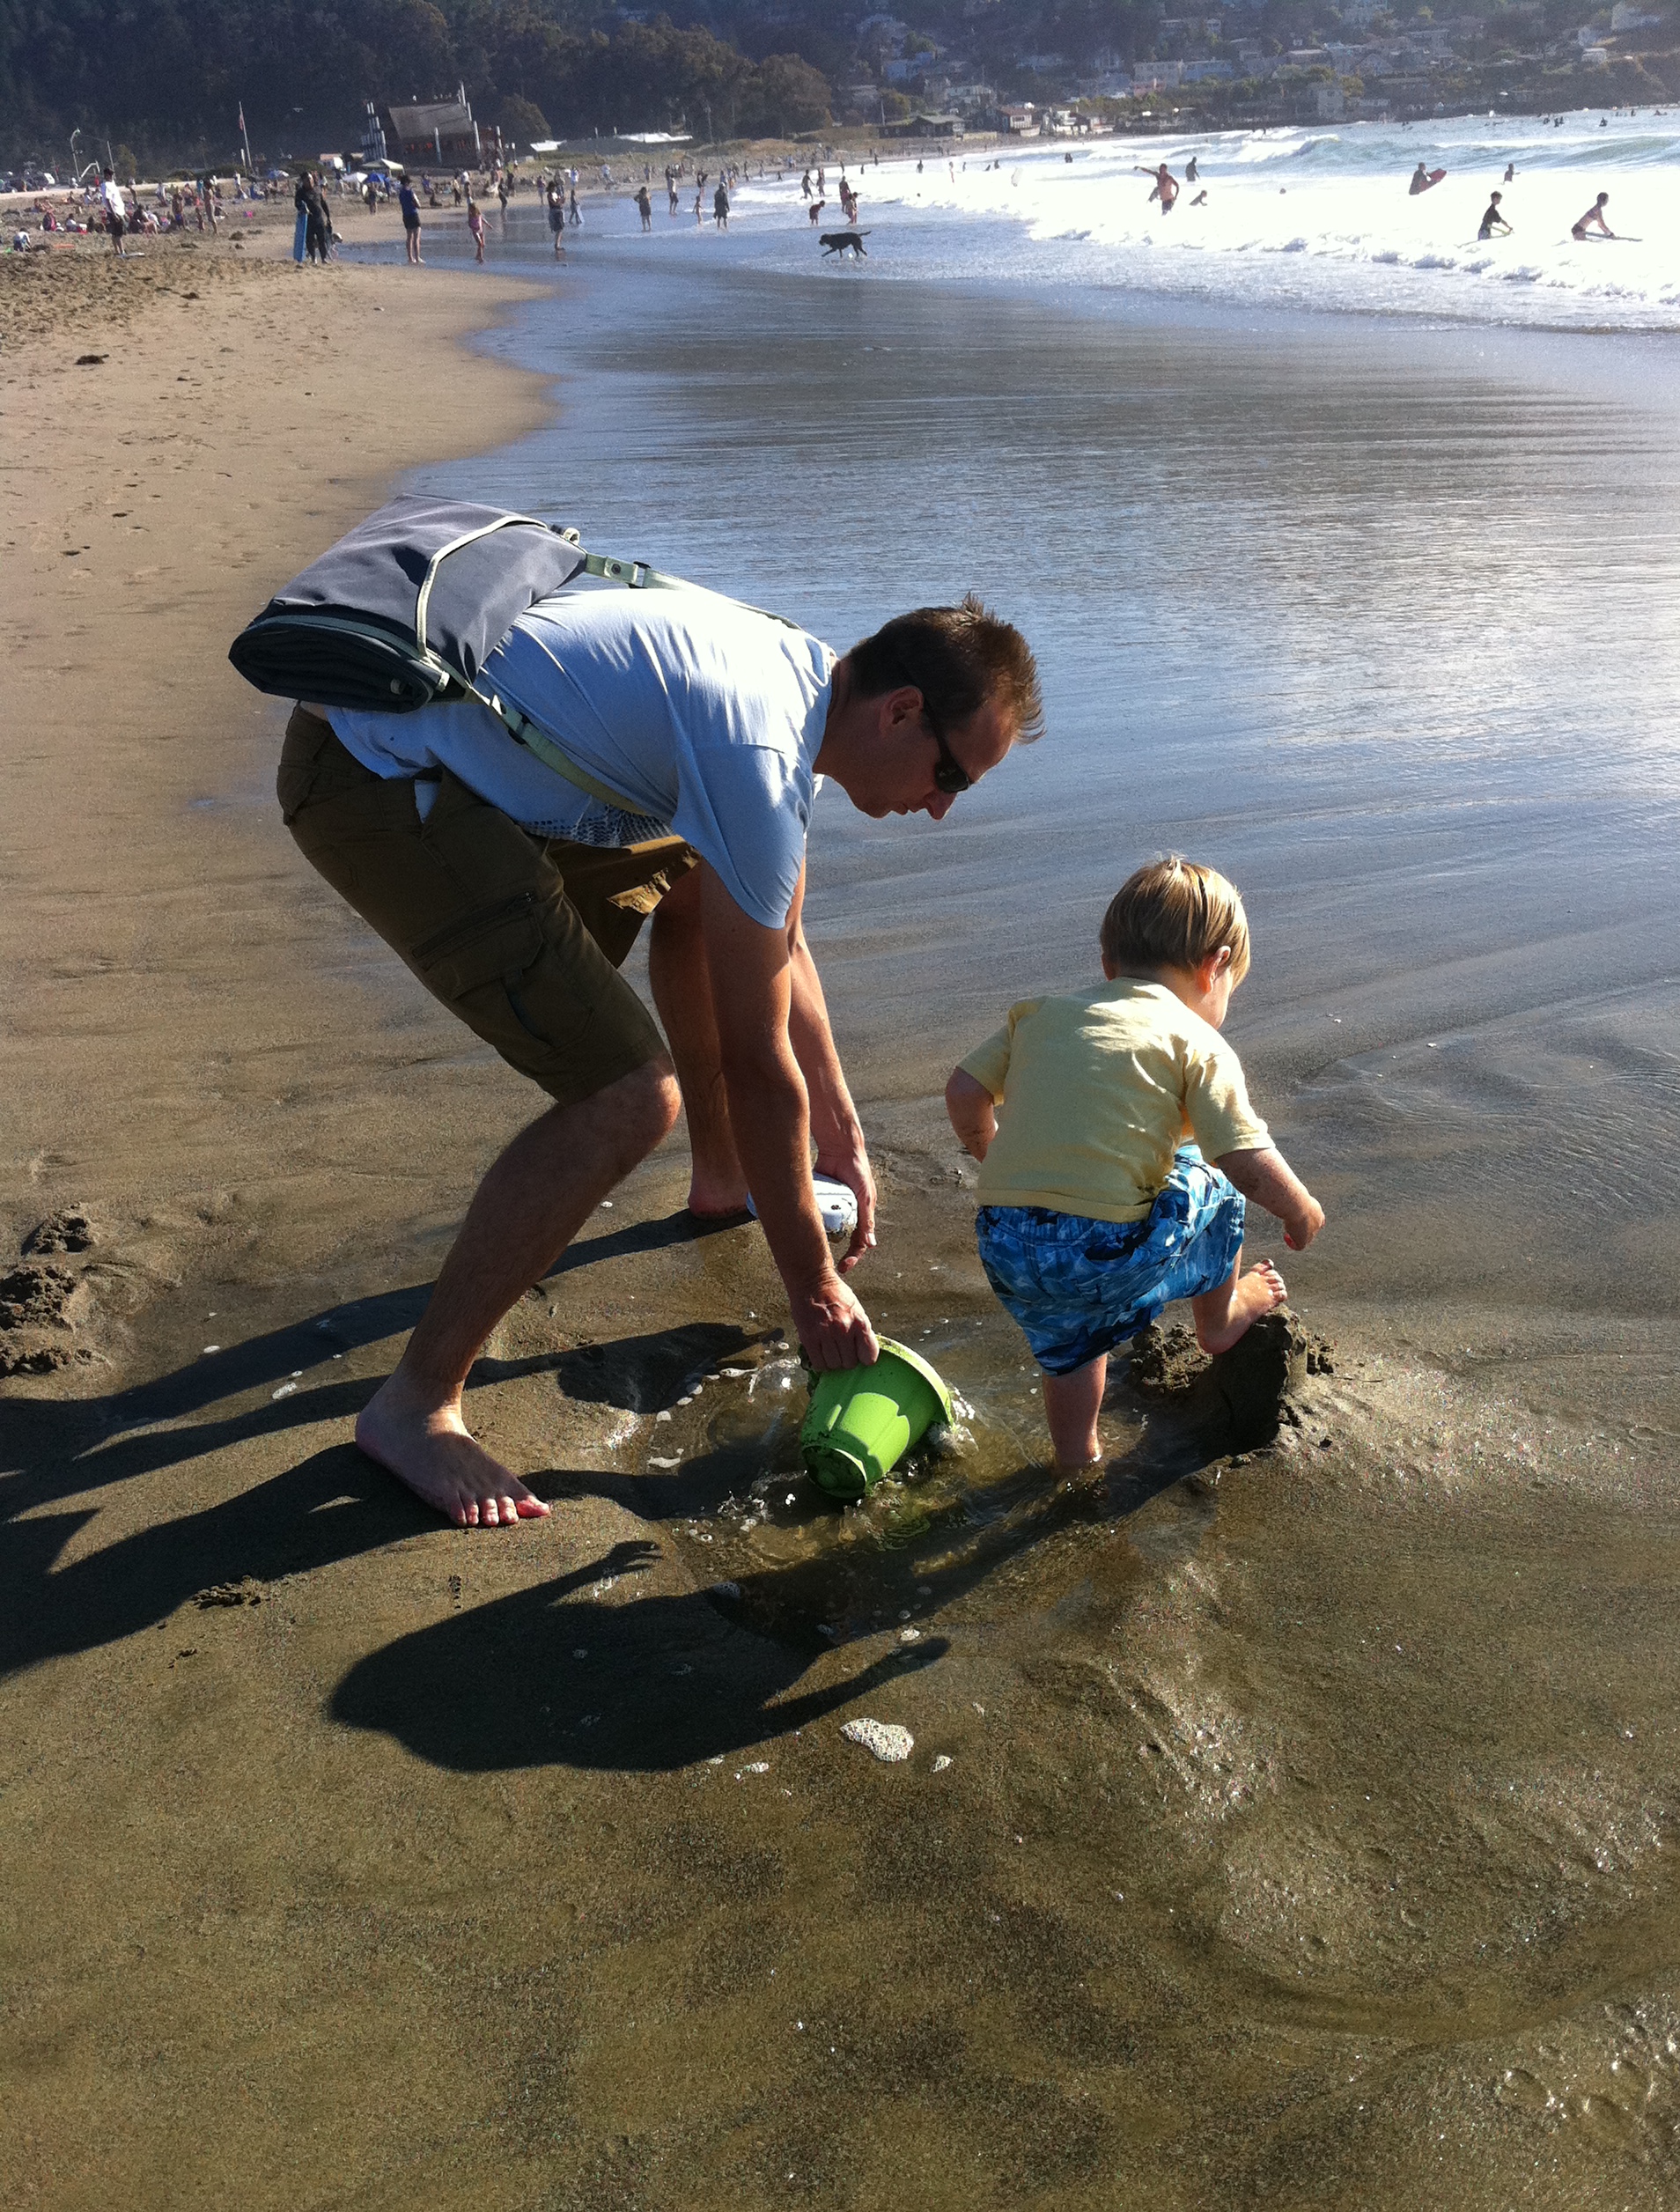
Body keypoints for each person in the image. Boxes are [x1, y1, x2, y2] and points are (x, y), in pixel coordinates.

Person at [276, 585, 1040, 1526]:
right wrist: (813, 1287)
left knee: (691, 881)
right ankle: (415, 1404)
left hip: (453, 749)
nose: (942, 808)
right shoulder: (758, 760)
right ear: (902, 711)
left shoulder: (798, 685)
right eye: (952, 775)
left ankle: (723, 1180)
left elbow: (777, 938)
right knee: (629, 1098)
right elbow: (759, 1066)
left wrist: (841, 1129)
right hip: (368, 772)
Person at [946, 857, 1324, 1475]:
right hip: (1102, 1249)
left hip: (1005, 1241)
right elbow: (1244, 1157)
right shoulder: (1197, 1041)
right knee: (1214, 1174)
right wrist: (1301, 1210)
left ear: (1107, 964)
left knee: (1071, 1341)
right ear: (1215, 966)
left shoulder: (1038, 1014)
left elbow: (964, 1090)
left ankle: (1077, 1458)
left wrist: (991, 1152)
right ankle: (1220, 1320)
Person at [97, 165, 128, 256]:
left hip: (118, 210)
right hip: (115, 211)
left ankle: (118, 251)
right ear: (107, 175)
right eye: (111, 175)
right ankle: (121, 251)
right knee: (118, 233)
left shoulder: (111, 184)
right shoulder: (107, 185)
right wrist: (114, 213)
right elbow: (108, 200)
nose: (112, 176)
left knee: (115, 233)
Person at [398, 171, 422, 262]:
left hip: (405, 215)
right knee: (416, 237)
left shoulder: (401, 193)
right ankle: (417, 257)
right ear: (407, 182)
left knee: (409, 237)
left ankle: (410, 258)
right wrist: (417, 204)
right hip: (413, 214)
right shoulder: (410, 191)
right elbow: (417, 204)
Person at [546, 176, 565, 256]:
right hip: (554, 212)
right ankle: (557, 245)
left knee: (560, 228)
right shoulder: (549, 195)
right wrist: (560, 202)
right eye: (553, 187)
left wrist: (561, 201)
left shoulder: (555, 194)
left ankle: (557, 244)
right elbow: (554, 203)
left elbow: (559, 202)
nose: (555, 188)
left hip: (559, 211)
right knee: (558, 229)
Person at [466, 193, 485, 262]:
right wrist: (473, 228)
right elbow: (469, 224)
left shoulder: (478, 214)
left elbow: (482, 219)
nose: (471, 211)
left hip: (481, 230)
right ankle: (481, 258)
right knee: (480, 244)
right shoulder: (470, 216)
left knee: (483, 245)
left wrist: (488, 225)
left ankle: (477, 256)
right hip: (475, 231)